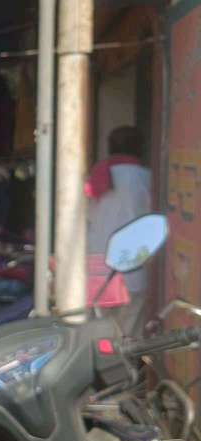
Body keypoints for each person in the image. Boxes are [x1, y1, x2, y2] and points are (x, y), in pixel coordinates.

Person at [87, 125, 151, 334]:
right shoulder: (148, 178)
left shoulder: (97, 176)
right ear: (140, 148)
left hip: (99, 265)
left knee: (101, 332)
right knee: (130, 332)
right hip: (133, 266)